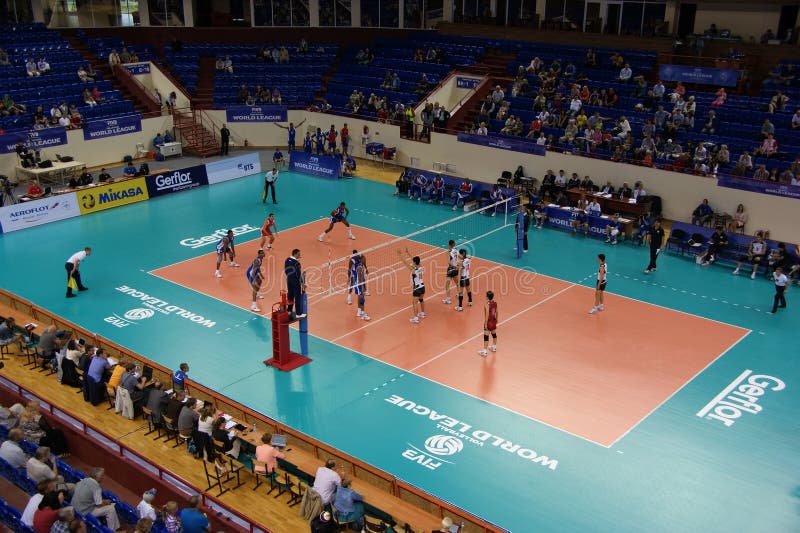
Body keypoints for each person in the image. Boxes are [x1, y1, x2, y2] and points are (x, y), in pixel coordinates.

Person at [397, 248, 425, 323]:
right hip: (422, 287)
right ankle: (422, 313)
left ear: (414, 262)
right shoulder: (421, 267)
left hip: (417, 289)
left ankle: (415, 318)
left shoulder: (413, 270)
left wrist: (399, 255)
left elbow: (405, 262)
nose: (412, 262)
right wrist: (408, 252)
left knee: (414, 302)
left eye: (413, 261)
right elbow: (414, 259)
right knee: (421, 300)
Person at [285, 249, 306, 319]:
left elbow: (286, 270)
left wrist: (289, 277)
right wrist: (302, 283)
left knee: (290, 295)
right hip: (295, 282)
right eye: (299, 254)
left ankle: (289, 311)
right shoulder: (297, 263)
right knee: (297, 297)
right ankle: (298, 314)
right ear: (295, 254)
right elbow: (298, 275)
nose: (300, 255)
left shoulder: (287, 260)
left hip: (289, 280)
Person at [479, 290, 499, 356]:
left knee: (486, 336)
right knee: (494, 334)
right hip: (494, 320)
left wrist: (485, 323)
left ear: (487, 297)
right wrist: (497, 320)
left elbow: (487, 314)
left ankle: (484, 351)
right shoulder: (495, 303)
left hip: (489, 321)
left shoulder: (486, 305)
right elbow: (497, 311)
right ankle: (494, 347)